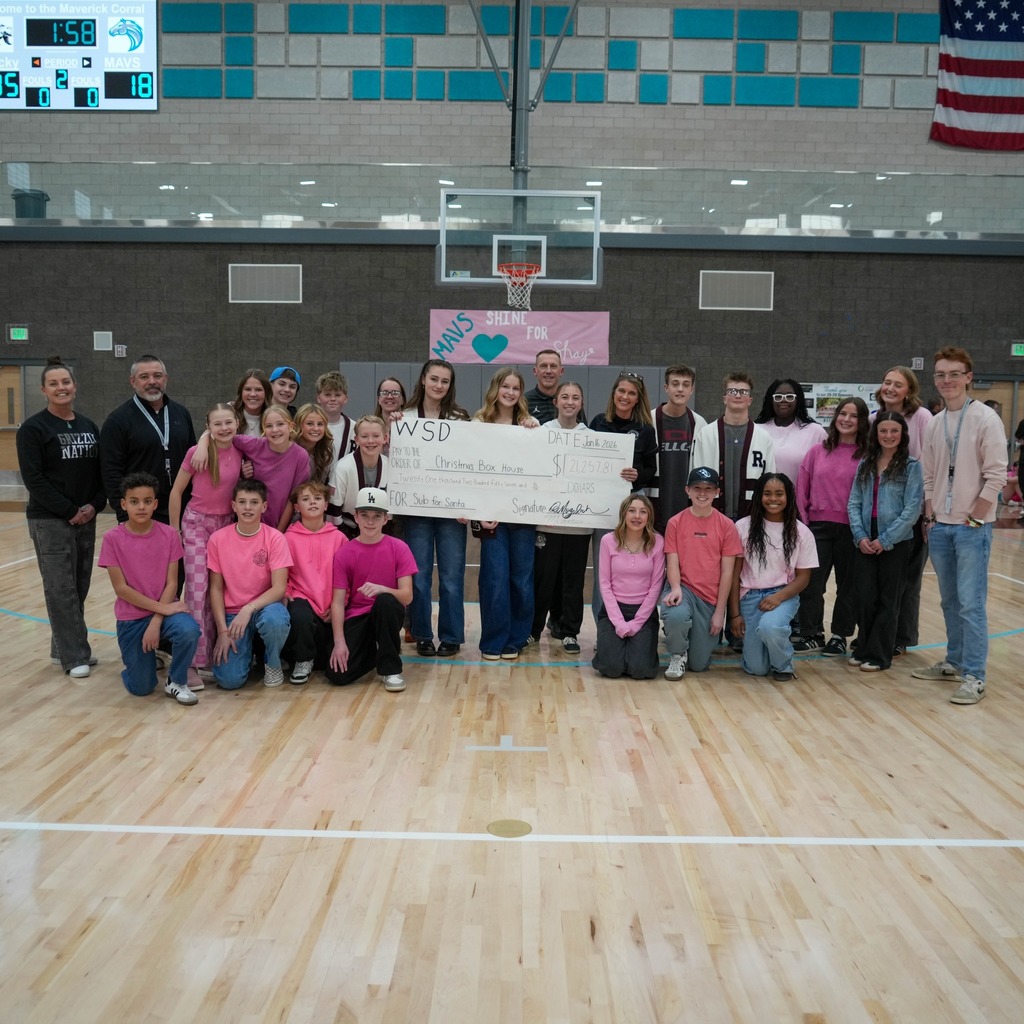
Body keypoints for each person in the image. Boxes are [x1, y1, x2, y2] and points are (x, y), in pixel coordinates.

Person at [913, 346, 1006, 705]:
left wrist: (975, 517)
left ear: (968, 377)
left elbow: (996, 476)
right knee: (950, 601)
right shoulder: (935, 423)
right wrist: (930, 516)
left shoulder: (985, 419)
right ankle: (953, 661)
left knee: (971, 603)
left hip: (971, 528)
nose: (947, 380)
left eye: (954, 374)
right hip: (941, 526)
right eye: (940, 374)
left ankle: (974, 675)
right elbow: (930, 475)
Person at [16, 356, 106, 678]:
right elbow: (34, 479)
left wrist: (94, 506)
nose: (61, 387)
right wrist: (70, 511)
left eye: (65, 382)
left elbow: (100, 476)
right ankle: (75, 656)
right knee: (60, 587)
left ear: (75, 386)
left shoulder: (88, 427)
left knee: (79, 586)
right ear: (44, 390)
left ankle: (61, 649)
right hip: (50, 520)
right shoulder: (32, 429)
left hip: (87, 517)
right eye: (53, 383)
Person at [98, 472, 201, 705]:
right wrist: (159, 612)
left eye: (147, 501)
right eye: (134, 502)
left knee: (189, 630)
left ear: (155, 504)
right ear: (124, 504)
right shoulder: (112, 538)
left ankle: (176, 681)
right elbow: (121, 589)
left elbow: (172, 583)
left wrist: (156, 621)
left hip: (162, 613)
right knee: (142, 688)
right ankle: (135, 667)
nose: (141, 507)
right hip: (131, 620)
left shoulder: (168, 535)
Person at [397, 358, 471, 657]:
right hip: (417, 511)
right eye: (435, 379)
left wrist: (469, 503)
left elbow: (470, 465)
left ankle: (452, 635)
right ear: (423, 380)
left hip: (451, 511)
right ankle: (423, 634)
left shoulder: (460, 419)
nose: (439, 385)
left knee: (452, 578)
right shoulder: (404, 419)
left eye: (445, 381)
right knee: (420, 577)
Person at [168, 403, 243, 689]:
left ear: (236, 423)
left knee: (220, 590)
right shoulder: (197, 452)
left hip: (226, 524)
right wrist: (175, 530)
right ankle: (188, 663)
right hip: (198, 524)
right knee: (197, 592)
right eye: (217, 424)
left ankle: (211, 653)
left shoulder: (241, 450)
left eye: (228, 422)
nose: (224, 428)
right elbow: (176, 491)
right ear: (208, 427)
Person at [792, 397, 870, 657]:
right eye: (842, 414)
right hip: (818, 528)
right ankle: (811, 633)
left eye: (854, 416)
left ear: (861, 422)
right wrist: (804, 523)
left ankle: (840, 635)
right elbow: (802, 487)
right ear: (835, 417)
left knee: (848, 587)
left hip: (853, 529)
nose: (846, 419)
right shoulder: (817, 451)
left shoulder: (868, 455)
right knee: (812, 584)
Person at [846, 412, 924, 673]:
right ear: (875, 434)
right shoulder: (865, 463)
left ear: (902, 435)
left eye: (894, 431)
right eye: (883, 431)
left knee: (889, 599)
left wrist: (886, 539)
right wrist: (860, 536)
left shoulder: (912, 466)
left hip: (897, 540)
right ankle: (864, 647)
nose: (888, 436)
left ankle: (879, 655)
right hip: (866, 538)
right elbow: (854, 502)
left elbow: (913, 510)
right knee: (865, 597)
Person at [473, 367, 540, 660]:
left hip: (522, 516)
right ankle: (492, 641)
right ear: (495, 389)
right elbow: (469, 471)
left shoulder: (528, 425)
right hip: (492, 517)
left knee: (522, 581)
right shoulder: (479, 422)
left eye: (516, 388)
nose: (510, 392)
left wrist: (536, 432)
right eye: (505, 386)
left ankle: (515, 639)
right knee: (495, 579)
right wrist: (476, 512)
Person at [729, 473, 817, 682]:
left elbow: (804, 577)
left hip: (783, 595)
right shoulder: (742, 527)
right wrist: (734, 614)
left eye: (779, 493)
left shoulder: (801, 532)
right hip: (750, 597)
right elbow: (734, 576)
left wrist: (778, 598)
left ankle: (783, 665)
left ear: (788, 497)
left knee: (772, 627)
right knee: (756, 669)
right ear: (759, 496)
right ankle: (763, 652)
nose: (773, 498)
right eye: (767, 493)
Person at [327, 487, 416, 691]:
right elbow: (338, 602)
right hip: (358, 617)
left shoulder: (399, 548)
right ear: (356, 517)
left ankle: (390, 669)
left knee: (385, 601)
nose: (370, 521)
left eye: (377, 516)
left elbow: (407, 596)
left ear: (386, 519)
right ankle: (373, 652)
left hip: (386, 614)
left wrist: (382, 589)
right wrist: (339, 642)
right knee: (338, 675)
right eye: (365, 515)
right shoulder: (344, 553)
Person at [207, 479, 293, 689]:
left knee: (275, 621)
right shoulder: (217, 539)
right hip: (232, 615)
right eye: (242, 502)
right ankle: (250, 650)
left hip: (265, 608)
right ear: (233, 506)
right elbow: (216, 588)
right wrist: (222, 631)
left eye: (254, 502)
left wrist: (249, 608)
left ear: (264, 506)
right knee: (229, 681)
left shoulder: (275, 538)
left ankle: (272, 662)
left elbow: (279, 588)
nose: (247, 507)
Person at [588, 371, 658, 625]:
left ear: (638, 398)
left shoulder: (646, 430)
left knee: (631, 566)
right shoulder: (597, 423)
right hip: (601, 505)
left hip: (632, 504)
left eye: (631, 393)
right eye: (621, 391)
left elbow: (652, 469)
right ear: (613, 394)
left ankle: (634, 620)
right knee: (603, 569)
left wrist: (637, 476)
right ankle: (603, 626)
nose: (625, 397)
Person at [873, 365, 934, 655]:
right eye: (887, 382)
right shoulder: (874, 419)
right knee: (879, 583)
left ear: (909, 390)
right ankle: (876, 634)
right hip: (878, 512)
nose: (891, 388)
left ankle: (901, 637)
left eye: (898, 384)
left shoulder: (921, 417)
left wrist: (924, 513)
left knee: (907, 582)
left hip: (911, 513)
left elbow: (929, 462)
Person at [660, 467, 742, 679]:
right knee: (675, 614)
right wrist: (676, 588)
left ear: (717, 492)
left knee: (699, 665)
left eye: (708, 488)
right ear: (688, 490)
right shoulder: (675, 523)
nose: (702, 493)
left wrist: (719, 612)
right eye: (697, 488)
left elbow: (727, 573)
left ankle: (692, 644)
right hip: (684, 588)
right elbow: (672, 562)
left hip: (709, 599)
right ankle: (677, 654)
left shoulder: (726, 526)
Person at [530, 381, 592, 655]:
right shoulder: (542, 433)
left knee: (573, 579)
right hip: (547, 522)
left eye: (575, 397)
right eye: (564, 397)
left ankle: (569, 631)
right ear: (555, 402)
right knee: (543, 578)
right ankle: (533, 629)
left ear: (581, 403)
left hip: (579, 524)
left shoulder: (591, 437)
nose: (569, 401)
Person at [100, 354, 197, 525]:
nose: (152, 381)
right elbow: (111, 473)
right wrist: (124, 516)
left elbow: (192, 459)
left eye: (157, 376)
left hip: (181, 510)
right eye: (144, 377)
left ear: (165, 378)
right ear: (133, 381)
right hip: (140, 513)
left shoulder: (181, 413)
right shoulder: (118, 420)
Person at [194, 405, 310, 531]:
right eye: (269, 426)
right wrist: (202, 444)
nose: (275, 430)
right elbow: (224, 433)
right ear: (264, 429)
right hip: (250, 521)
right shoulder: (255, 445)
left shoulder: (300, 456)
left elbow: (293, 499)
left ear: (291, 426)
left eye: (280, 424)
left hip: (281, 523)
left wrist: (280, 531)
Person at [592, 495, 665, 680]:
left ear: (649, 516)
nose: (637, 516)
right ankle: (615, 652)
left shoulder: (657, 542)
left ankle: (636, 654)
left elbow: (656, 586)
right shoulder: (608, 541)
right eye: (632, 510)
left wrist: (637, 622)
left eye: (643, 511)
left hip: (644, 612)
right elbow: (604, 584)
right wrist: (618, 622)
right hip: (613, 611)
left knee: (641, 671)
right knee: (611, 669)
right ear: (623, 514)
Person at [284, 480, 347, 684]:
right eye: (305, 499)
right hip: (303, 600)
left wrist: (341, 603)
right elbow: (281, 574)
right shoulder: (287, 538)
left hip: (331, 604)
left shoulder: (339, 538)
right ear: (296, 507)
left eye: (318, 498)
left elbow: (348, 578)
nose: (312, 503)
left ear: (326, 504)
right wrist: (287, 593)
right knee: (299, 614)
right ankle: (303, 660)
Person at [692, 373, 775, 522]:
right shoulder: (705, 435)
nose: (738, 395)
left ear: (750, 400)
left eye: (744, 392)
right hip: (711, 512)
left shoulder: (764, 437)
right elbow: (696, 477)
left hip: (752, 515)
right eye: (732, 391)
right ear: (724, 398)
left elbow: (770, 481)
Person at [648, 363, 708, 535]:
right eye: (675, 384)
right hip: (655, 502)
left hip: (687, 503)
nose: (680, 389)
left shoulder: (699, 424)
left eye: (686, 384)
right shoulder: (649, 419)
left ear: (692, 389)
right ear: (666, 388)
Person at [753, 377, 826, 485]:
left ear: (798, 400)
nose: (783, 400)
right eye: (778, 397)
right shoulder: (756, 429)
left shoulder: (815, 432)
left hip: (800, 500)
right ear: (770, 400)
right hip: (762, 499)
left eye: (790, 396)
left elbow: (826, 470)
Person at [316, 370, 353, 465]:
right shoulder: (309, 426)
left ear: (345, 399)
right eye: (327, 395)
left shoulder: (355, 428)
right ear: (319, 398)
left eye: (338, 395)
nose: (333, 399)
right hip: (316, 479)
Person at [292, 403, 334, 484]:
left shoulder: (325, 451)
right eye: (310, 424)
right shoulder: (287, 449)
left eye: (320, 424)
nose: (316, 428)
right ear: (298, 425)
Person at [524, 348, 565, 424]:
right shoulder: (523, 401)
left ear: (561, 371)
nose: (548, 371)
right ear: (535, 371)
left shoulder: (570, 401)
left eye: (553, 366)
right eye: (543, 366)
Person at [231, 368, 272, 437]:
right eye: (248, 389)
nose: (252, 394)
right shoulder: (229, 411)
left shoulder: (274, 416)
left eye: (258, 390)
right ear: (241, 392)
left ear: (266, 393)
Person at [374, 377, 407, 455]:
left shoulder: (412, 427)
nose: (389, 396)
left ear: (402, 400)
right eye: (384, 393)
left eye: (395, 393)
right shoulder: (370, 426)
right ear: (378, 399)